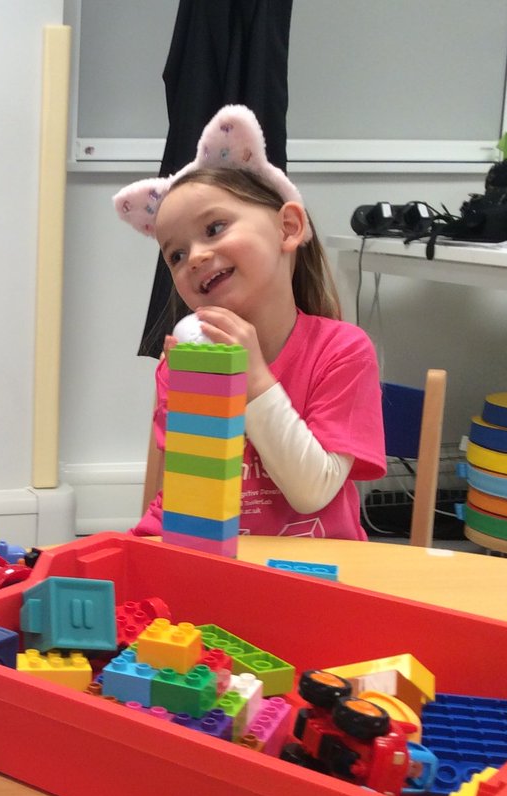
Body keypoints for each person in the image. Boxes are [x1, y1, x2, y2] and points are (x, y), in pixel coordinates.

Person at [114, 105, 385, 540]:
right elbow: (189, 495)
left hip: (318, 581)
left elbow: (312, 491)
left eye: (215, 227)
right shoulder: (183, 362)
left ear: (288, 228)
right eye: (176, 255)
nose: (195, 257)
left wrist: (254, 379)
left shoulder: (342, 351)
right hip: (224, 576)